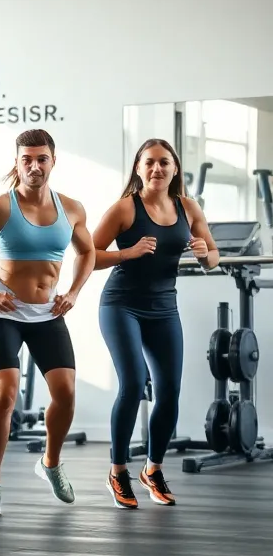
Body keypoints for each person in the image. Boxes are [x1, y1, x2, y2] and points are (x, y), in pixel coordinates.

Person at [0, 128, 94, 518]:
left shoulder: (72, 209)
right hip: (5, 314)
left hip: (48, 313)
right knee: (4, 394)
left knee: (65, 393)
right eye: (26, 159)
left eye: (41, 159)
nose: (34, 166)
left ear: (53, 161)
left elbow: (88, 253)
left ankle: (50, 462)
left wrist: (73, 292)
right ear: (16, 163)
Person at [93, 138, 217, 508]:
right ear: (138, 168)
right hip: (121, 305)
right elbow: (89, 255)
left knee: (169, 392)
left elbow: (213, 256)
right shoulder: (125, 208)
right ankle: (118, 472)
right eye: (149, 162)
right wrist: (128, 253)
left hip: (164, 308)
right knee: (133, 384)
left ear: (175, 168)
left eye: (164, 162)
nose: (156, 169)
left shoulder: (188, 207)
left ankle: (153, 469)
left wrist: (204, 254)